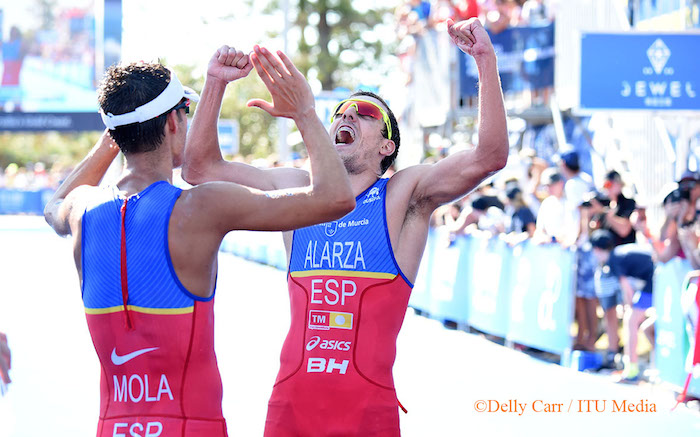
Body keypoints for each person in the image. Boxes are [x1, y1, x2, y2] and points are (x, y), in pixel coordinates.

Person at [183, 18, 507, 436]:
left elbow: (489, 156)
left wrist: (484, 59)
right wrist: (215, 83)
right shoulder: (297, 188)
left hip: (366, 411)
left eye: (365, 113)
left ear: (387, 146)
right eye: (339, 112)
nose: (347, 114)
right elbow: (200, 168)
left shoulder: (402, 195)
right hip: (291, 406)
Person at [43, 46, 355, 437]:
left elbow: (53, 204)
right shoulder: (201, 207)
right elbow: (336, 198)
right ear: (173, 123)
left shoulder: (79, 208)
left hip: (112, 428)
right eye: (184, 114)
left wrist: (116, 137)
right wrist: (305, 113)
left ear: (116, 132)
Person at [590, 230, 655, 383]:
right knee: (635, 321)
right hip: (657, 275)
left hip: (656, 277)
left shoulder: (613, 260)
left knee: (631, 321)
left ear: (597, 250)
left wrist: (629, 306)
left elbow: (627, 288)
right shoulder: (618, 253)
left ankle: (631, 371)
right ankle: (634, 368)